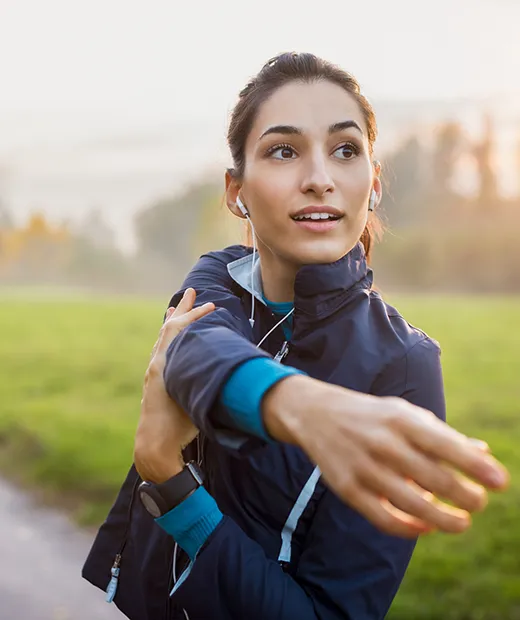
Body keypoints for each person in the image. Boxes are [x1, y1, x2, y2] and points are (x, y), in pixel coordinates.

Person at [83, 52, 509, 620]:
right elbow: (192, 349)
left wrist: (170, 482)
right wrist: (300, 404)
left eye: (345, 150)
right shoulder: (220, 276)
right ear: (236, 191)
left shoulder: (404, 365)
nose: (318, 179)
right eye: (284, 151)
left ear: (373, 184)